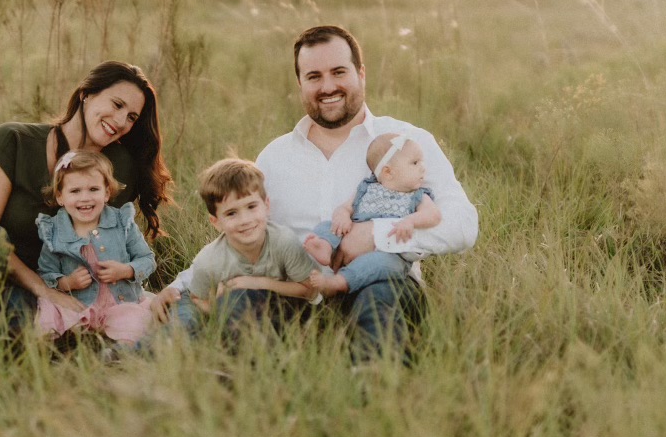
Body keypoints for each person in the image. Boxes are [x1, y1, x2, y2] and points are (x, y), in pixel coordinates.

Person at [153, 25, 477, 357]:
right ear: (300, 84)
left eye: (339, 72)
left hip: (377, 284)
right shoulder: (275, 157)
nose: (328, 87)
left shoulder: (406, 142)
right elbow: (240, 237)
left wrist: (377, 236)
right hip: (294, 293)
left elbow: (463, 224)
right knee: (240, 304)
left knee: (382, 299)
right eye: (314, 76)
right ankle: (254, 390)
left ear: (361, 74)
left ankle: (377, 387)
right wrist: (179, 286)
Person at [0, 61, 173, 335]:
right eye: (117, 105)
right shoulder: (13, 139)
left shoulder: (118, 168)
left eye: (131, 117)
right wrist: (45, 291)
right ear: (86, 94)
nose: (120, 121)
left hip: (20, 286)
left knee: (33, 320)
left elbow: (105, 243)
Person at [182, 158, 321, 331]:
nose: (245, 220)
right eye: (231, 213)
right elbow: (196, 298)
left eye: (251, 206)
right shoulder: (209, 260)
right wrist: (221, 312)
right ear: (216, 222)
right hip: (240, 321)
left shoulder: (283, 241)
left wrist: (256, 283)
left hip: (289, 314)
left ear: (266, 206)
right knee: (235, 300)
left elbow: (310, 291)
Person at [34, 151, 155, 344]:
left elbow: (147, 259)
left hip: (120, 303)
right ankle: (57, 345)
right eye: (75, 191)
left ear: (106, 193)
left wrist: (125, 270)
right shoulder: (54, 231)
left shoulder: (122, 223)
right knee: (48, 308)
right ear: (60, 197)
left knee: (135, 322)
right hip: (78, 305)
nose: (85, 198)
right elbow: (46, 272)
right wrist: (67, 282)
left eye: (93, 189)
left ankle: (121, 350)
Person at [304, 132, 441, 297]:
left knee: (379, 263)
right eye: (415, 162)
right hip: (349, 237)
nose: (422, 167)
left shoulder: (417, 195)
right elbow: (346, 207)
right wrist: (343, 215)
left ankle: (339, 282)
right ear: (388, 172)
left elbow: (433, 214)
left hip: (387, 255)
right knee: (328, 226)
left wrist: (411, 221)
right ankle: (324, 247)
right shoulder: (367, 187)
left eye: (422, 162)